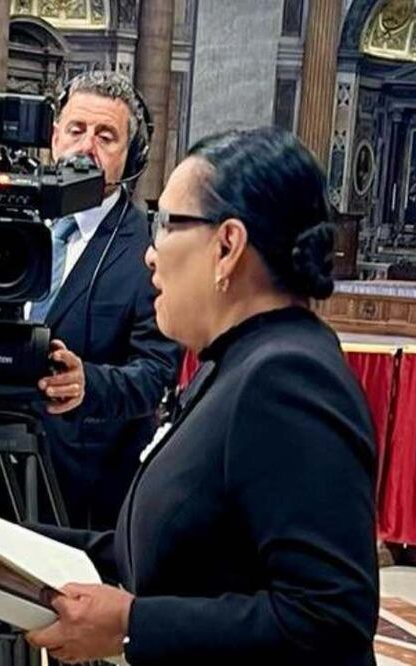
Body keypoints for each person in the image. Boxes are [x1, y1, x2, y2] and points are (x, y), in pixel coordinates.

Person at [25, 127, 379, 665]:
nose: (149, 253)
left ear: (228, 245)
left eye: (164, 224)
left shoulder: (286, 377)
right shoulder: (234, 362)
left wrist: (131, 626)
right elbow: (150, 555)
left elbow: (328, 619)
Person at [24, 70, 179, 530]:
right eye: (76, 130)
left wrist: (88, 383)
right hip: (0, 471)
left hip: (90, 495)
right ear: (55, 138)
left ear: (130, 157)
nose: (86, 147)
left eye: (106, 136)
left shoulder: (150, 249)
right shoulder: (13, 226)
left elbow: (156, 374)